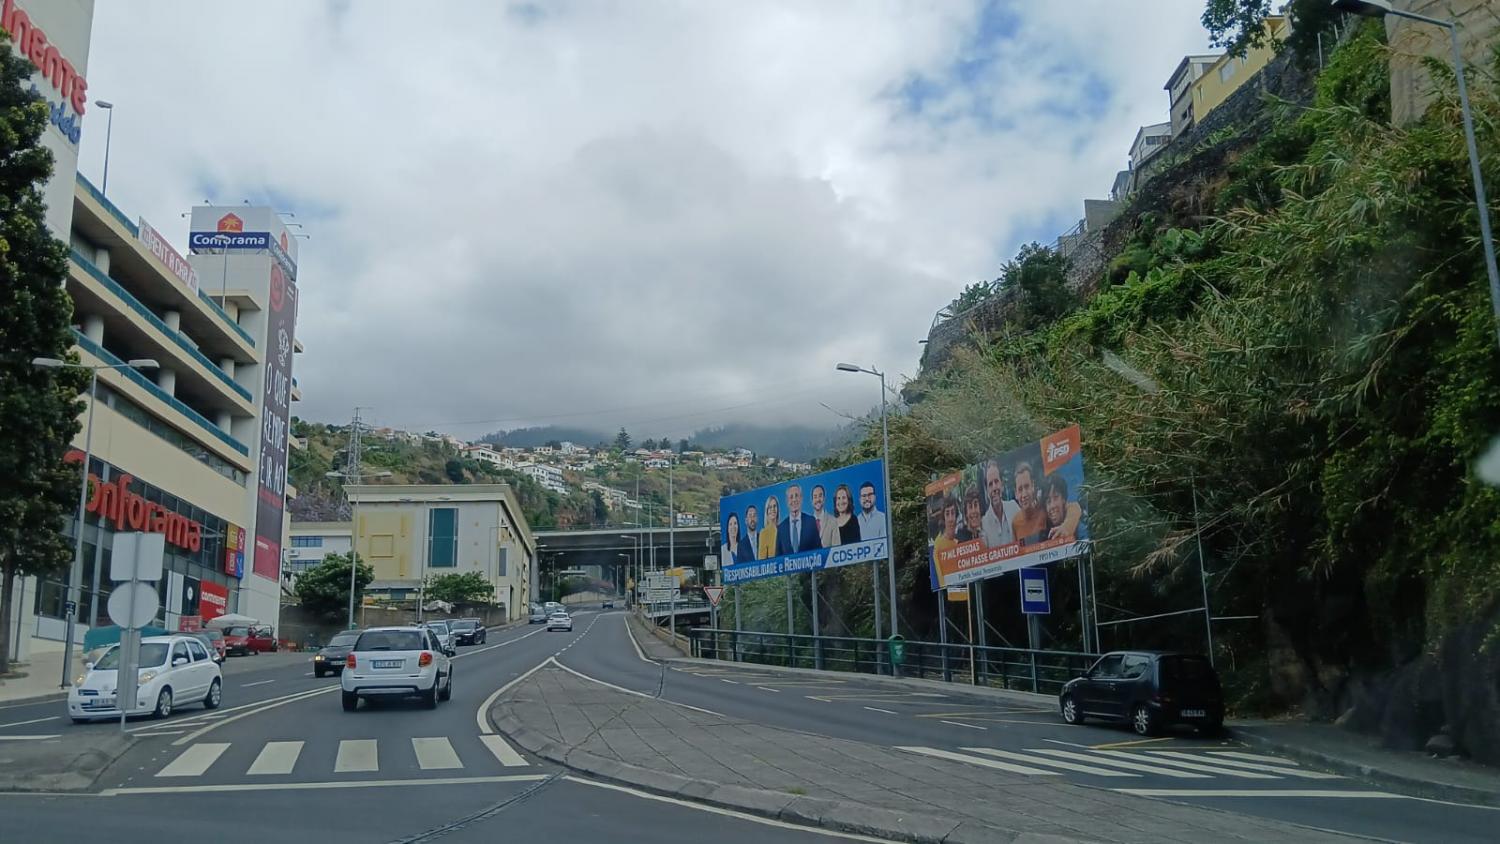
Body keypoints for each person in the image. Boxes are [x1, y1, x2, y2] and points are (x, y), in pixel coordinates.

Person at [981, 459, 1021, 548]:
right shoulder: (984, 524)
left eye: (996, 481)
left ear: (1002, 484)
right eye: (990, 484)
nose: (994, 487)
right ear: (987, 490)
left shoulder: (1014, 507)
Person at [776, 483, 822, 555]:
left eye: (796, 496)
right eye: (791, 497)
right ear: (787, 501)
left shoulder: (811, 522)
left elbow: (819, 550)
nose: (794, 500)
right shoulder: (781, 528)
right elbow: (778, 557)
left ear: (801, 498)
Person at [1010, 462, 1047, 545]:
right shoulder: (1015, 522)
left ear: (1033, 486)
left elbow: (1072, 507)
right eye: (1020, 489)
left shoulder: (1044, 511)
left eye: (1027, 487)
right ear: (1016, 494)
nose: (1024, 494)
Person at [1042, 474, 1083, 541]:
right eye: (1048, 501)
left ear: (1063, 499)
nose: (1052, 505)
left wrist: (1066, 527)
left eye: (1056, 497)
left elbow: (1075, 507)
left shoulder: (1079, 526)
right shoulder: (1043, 531)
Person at [759, 496, 780, 560]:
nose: (772, 509)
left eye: (774, 506)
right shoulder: (764, 533)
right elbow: (762, 560)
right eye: (770, 507)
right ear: (767, 511)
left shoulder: (783, 529)